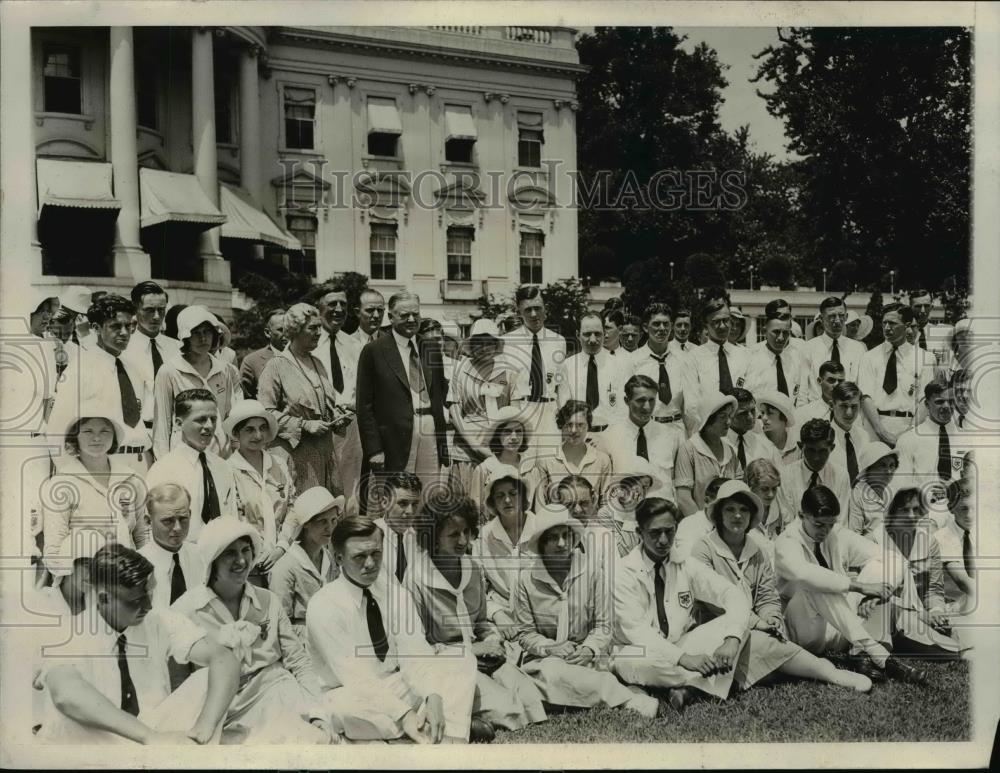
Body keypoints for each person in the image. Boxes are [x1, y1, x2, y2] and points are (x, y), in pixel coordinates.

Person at [35, 544, 240, 745]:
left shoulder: (156, 621)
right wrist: (149, 737)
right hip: (95, 743)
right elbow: (65, 694)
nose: (148, 606)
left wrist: (205, 726)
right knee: (73, 709)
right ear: (104, 598)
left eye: (150, 594)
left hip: (149, 736)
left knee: (209, 678)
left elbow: (224, 658)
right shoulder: (69, 632)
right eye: (136, 599)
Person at [307, 516, 477, 743]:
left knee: (461, 658)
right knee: (340, 708)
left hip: (397, 684)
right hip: (354, 694)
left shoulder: (395, 593)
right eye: (359, 556)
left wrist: (433, 695)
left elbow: (415, 652)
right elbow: (356, 679)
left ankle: (448, 736)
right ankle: (427, 730)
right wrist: (404, 714)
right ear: (339, 558)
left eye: (376, 554)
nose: (370, 563)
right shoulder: (324, 605)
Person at [689, 481, 871, 692]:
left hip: (753, 628)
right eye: (729, 509)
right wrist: (758, 623)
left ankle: (767, 672)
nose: (737, 516)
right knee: (762, 643)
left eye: (743, 510)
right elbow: (714, 604)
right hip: (717, 628)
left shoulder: (757, 552)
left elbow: (767, 595)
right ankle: (828, 672)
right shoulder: (703, 549)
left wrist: (772, 618)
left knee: (770, 638)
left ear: (751, 516)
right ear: (719, 513)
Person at [171, 518, 332, 744]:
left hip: (272, 693)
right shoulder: (186, 609)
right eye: (229, 553)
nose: (241, 560)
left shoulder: (268, 601)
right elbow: (176, 676)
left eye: (246, 550)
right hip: (214, 700)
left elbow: (298, 661)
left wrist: (317, 712)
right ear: (212, 561)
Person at [405, 496, 547, 739]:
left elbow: (481, 621)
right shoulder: (416, 577)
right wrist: (471, 649)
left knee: (531, 700)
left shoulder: (472, 569)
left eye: (467, 532)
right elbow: (418, 645)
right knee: (511, 710)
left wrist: (493, 640)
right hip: (449, 664)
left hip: (484, 658)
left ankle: (470, 713)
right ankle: (465, 718)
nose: (463, 541)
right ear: (434, 537)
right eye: (453, 535)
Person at [511, 504, 666, 718]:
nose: (562, 544)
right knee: (550, 673)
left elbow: (604, 626)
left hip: (586, 656)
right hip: (545, 659)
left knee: (580, 674)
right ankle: (628, 698)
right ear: (541, 543)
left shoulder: (593, 572)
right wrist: (552, 648)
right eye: (553, 538)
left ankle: (587, 692)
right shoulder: (525, 580)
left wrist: (588, 650)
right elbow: (525, 634)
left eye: (566, 536)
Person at [773, 486, 928, 685]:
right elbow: (802, 573)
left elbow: (894, 559)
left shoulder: (835, 533)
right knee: (813, 584)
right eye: (819, 524)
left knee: (879, 573)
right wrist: (859, 587)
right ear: (801, 515)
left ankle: (859, 654)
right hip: (803, 631)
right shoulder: (786, 541)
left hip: (839, 628)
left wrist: (877, 593)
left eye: (830, 525)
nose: (825, 531)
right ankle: (879, 655)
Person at [609, 497, 751, 711]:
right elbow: (636, 631)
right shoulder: (622, 571)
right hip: (637, 651)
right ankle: (701, 685)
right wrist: (683, 658)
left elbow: (733, 594)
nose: (664, 540)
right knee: (640, 662)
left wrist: (731, 639)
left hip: (679, 644)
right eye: (655, 533)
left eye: (670, 531)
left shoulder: (684, 563)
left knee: (740, 622)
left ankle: (686, 688)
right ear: (639, 533)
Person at [356, 291, 450, 490]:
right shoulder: (374, 351)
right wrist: (374, 450)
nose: (411, 319)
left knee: (428, 496)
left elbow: (439, 393)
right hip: (394, 442)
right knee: (396, 497)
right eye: (404, 315)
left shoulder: (431, 348)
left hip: (430, 435)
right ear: (390, 317)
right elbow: (365, 407)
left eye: (415, 314)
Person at [48, 294, 152, 470]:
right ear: (96, 328)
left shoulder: (132, 368)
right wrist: (72, 474)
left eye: (128, 326)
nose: (124, 333)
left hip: (140, 463)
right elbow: (58, 429)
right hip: (103, 465)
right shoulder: (81, 368)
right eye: (116, 326)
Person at [42, 413, 148, 581]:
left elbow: (142, 536)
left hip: (128, 581)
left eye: (105, 431)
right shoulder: (61, 483)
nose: (97, 438)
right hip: (82, 583)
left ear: (114, 436)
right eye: (88, 431)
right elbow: (53, 550)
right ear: (75, 436)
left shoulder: (131, 479)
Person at [257, 302, 340, 493]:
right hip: (295, 455)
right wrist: (303, 424)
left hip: (324, 452)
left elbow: (321, 404)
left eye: (320, 327)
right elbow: (265, 414)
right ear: (295, 330)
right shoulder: (275, 366)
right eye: (313, 328)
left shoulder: (317, 362)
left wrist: (336, 415)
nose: (319, 332)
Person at [146, 389, 239, 542]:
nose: (209, 426)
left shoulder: (222, 468)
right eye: (201, 419)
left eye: (213, 419)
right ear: (178, 423)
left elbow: (231, 517)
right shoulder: (164, 471)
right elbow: (153, 529)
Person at [879, 487, 963, 655]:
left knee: (959, 628)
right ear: (892, 511)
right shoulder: (877, 539)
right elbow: (873, 592)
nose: (911, 516)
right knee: (949, 650)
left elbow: (933, 589)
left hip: (922, 611)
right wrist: (922, 615)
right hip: (887, 612)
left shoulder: (929, 541)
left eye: (916, 509)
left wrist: (936, 612)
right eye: (904, 510)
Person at [152, 305, 242, 461]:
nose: (203, 338)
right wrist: (164, 463)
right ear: (185, 337)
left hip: (221, 455)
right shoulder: (169, 371)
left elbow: (230, 414)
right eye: (196, 333)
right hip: (183, 455)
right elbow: (162, 424)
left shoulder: (225, 370)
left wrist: (236, 453)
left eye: (207, 332)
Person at [224, 400, 296, 585]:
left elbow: (293, 508)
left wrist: (281, 547)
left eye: (262, 428)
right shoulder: (228, 471)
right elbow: (231, 519)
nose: (258, 435)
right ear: (237, 433)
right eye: (249, 429)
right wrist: (254, 553)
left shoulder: (278, 464)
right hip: (248, 565)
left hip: (284, 557)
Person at [446, 318, 516, 497]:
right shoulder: (460, 369)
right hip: (466, 449)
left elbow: (514, 412)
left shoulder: (508, 371)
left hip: (499, 450)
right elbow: (454, 409)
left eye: (489, 342)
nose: (484, 348)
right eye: (479, 343)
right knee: (465, 504)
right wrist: (473, 444)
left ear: (496, 344)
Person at [500, 285, 568, 456]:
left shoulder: (558, 341)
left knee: (552, 463)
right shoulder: (507, 342)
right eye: (527, 309)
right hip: (521, 410)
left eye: (537, 308)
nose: (533, 314)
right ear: (519, 311)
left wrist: (564, 418)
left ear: (545, 308)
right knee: (524, 465)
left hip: (550, 412)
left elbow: (562, 386)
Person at [269, 487, 342, 642]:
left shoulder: (328, 557)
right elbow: (281, 626)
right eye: (323, 522)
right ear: (306, 524)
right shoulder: (285, 567)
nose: (330, 528)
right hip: (303, 647)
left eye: (334, 520)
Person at [858, 303, 936, 444]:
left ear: (906, 325)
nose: (887, 328)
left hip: (911, 428)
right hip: (875, 428)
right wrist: (881, 432)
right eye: (884, 323)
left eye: (892, 323)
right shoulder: (868, 357)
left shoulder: (925, 359)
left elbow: (925, 400)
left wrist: (909, 433)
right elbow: (865, 397)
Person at [313, 285, 364, 497]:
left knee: (351, 488)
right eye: (332, 304)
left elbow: (362, 387)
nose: (338, 309)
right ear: (318, 308)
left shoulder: (354, 344)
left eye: (343, 304)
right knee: (320, 488)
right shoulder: (309, 344)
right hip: (319, 427)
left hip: (351, 427)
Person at [473, 472, 537, 636]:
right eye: (500, 496)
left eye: (513, 494)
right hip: (500, 616)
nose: (507, 500)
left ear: (522, 497)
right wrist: (496, 613)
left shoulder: (541, 529)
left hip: (541, 615)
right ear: (492, 502)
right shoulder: (484, 536)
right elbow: (477, 587)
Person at [600, 374, 680, 504]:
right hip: (625, 514)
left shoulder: (671, 436)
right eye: (640, 400)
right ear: (626, 400)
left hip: (663, 512)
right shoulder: (609, 437)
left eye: (651, 400)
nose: (647, 407)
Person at [623, 302, 694, 440]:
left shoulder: (684, 359)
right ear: (645, 327)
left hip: (678, 430)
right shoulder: (633, 361)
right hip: (648, 430)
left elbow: (691, 406)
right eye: (656, 324)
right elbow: (626, 404)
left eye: (666, 324)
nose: (662, 328)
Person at [138, 484, 206, 611]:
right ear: (148, 521)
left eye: (183, 519)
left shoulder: (203, 556)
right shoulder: (138, 566)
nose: (177, 528)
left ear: (190, 514)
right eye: (168, 521)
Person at [124, 282, 181, 433]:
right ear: (135, 310)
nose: (156, 316)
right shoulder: (124, 350)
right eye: (149, 310)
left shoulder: (178, 349)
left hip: (176, 433)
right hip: (140, 432)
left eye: (161, 310)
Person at [536, 400, 613, 507]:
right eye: (569, 424)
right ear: (561, 426)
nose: (573, 430)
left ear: (588, 426)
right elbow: (540, 505)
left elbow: (606, 504)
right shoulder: (546, 461)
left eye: (580, 425)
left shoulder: (602, 460)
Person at [674, 392, 740, 516]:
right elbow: (684, 500)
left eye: (729, 416)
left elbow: (739, 491)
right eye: (722, 417)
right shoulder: (689, 450)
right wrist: (703, 526)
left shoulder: (730, 451)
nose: (728, 422)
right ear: (707, 420)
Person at [894, 380, 968, 489]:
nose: (946, 406)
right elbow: (901, 485)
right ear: (927, 404)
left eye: (951, 401)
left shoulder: (968, 438)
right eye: (939, 401)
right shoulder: (909, 439)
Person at [469, 406, 543, 511]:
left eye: (518, 431)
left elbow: (538, 511)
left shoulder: (532, 469)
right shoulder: (484, 470)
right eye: (508, 432)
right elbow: (475, 512)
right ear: (498, 435)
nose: (514, 437)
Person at [561, 312, 627, 430]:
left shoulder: (619, 365)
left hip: (611, 436)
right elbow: (564, 406)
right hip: (578, 435)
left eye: (597, 334)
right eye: (587, 334)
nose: (592, 340)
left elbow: (624, 408)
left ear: (604, 334)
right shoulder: (568, 366)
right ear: (577, 335)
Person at [777, 419, 852, 523]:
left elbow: (840, 522)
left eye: (822, 451)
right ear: (800, 446)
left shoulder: (841, 476)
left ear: (832, 448)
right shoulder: (786, 476)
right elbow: (788, 522)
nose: (816, 458)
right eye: (811, 450)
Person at [800, 297, 866, 404]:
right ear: (821, 319)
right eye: (832, 316)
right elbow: (802, 390)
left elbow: (862, 386)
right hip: (817, 411)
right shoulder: (808, 348)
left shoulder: (858, 349)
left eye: (841, 316)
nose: (837, 320)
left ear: (846, 317)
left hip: (847, 412)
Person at [689, 293, 750, 396]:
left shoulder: (744, 355)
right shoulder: (693, 358)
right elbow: (692, 404)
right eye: (715, 322)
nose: (722, 326)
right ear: (706, 325)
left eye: (726, 320)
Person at [369, 471, 424, 584]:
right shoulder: (368, 536)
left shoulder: (419, 541)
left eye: (414, 504)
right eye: (403, 503)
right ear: (384, 502)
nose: (410, 511)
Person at [935, 466, 976, 615]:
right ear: (951, 508)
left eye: (975, 508)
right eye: (964, 509)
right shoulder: (943, 537)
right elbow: (962, 581)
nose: (970, 515)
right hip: (952, 607)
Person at [745, 313, 805, 403]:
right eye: (776, 332)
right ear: (764, 331)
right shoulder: (750, 360)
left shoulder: (795, 361)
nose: (781, 338)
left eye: (785, 333)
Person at [845, 442, 899, 542]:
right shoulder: (858, 493)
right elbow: (855, 539)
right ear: (869, 469)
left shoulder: (893, 490)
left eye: (892, 465)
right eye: (882, 465)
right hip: (870, 552)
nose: (888, 471)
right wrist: (878, 536)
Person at [671, 476, 730, 564]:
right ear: (706, 501)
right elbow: (687, 564)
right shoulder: (689, 525)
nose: (725, 512)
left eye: (730, 508)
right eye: (720, 505)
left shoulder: (733, 527)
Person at [727, 388, 780, 477]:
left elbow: (781, 481)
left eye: (752, 410)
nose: (751, 417)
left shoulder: (766, 446)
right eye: (743, 413)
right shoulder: (717, 445)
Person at [828, 381, 872, 488]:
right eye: (843, 406)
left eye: (854, 407)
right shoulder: (824, 437)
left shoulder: (864, 437)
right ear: (832, 405)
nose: (849, 413)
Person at [240, 309, 286, 399]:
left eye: (289, 329)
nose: (286, 334)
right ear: (268, 333)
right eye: (281, 330)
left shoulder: (304, 358)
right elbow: (246, 400)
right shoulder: (252, 362)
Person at [746, 459, 792, 540]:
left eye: (774, 489)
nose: (771, 494)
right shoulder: (743, 513)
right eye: (764, 489)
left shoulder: (782, 512)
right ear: (751, 487)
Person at [795, 361, 846, 425]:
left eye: (840, 381)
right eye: (831, 380)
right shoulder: (804, 414)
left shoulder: (851, 415)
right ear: (819, 381)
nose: (836, 385)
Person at [758, 390, 800, 462]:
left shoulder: (797, 445)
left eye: (770, 413)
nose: (764, 418)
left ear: (784, 417)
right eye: (762, 413)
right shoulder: (758, 442)